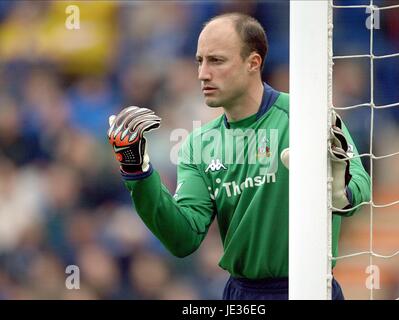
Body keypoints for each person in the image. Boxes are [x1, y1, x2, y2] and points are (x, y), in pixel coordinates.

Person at [107, 13, 371, 300]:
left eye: (216, 61)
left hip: (309, 288)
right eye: (200, 61)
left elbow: (361, 185)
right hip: (242, 294)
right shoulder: (198, 144)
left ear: (253, 63)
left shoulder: (307, 115)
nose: (202, 73)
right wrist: (137, 172)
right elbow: (183, 238)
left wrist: (336, 191)